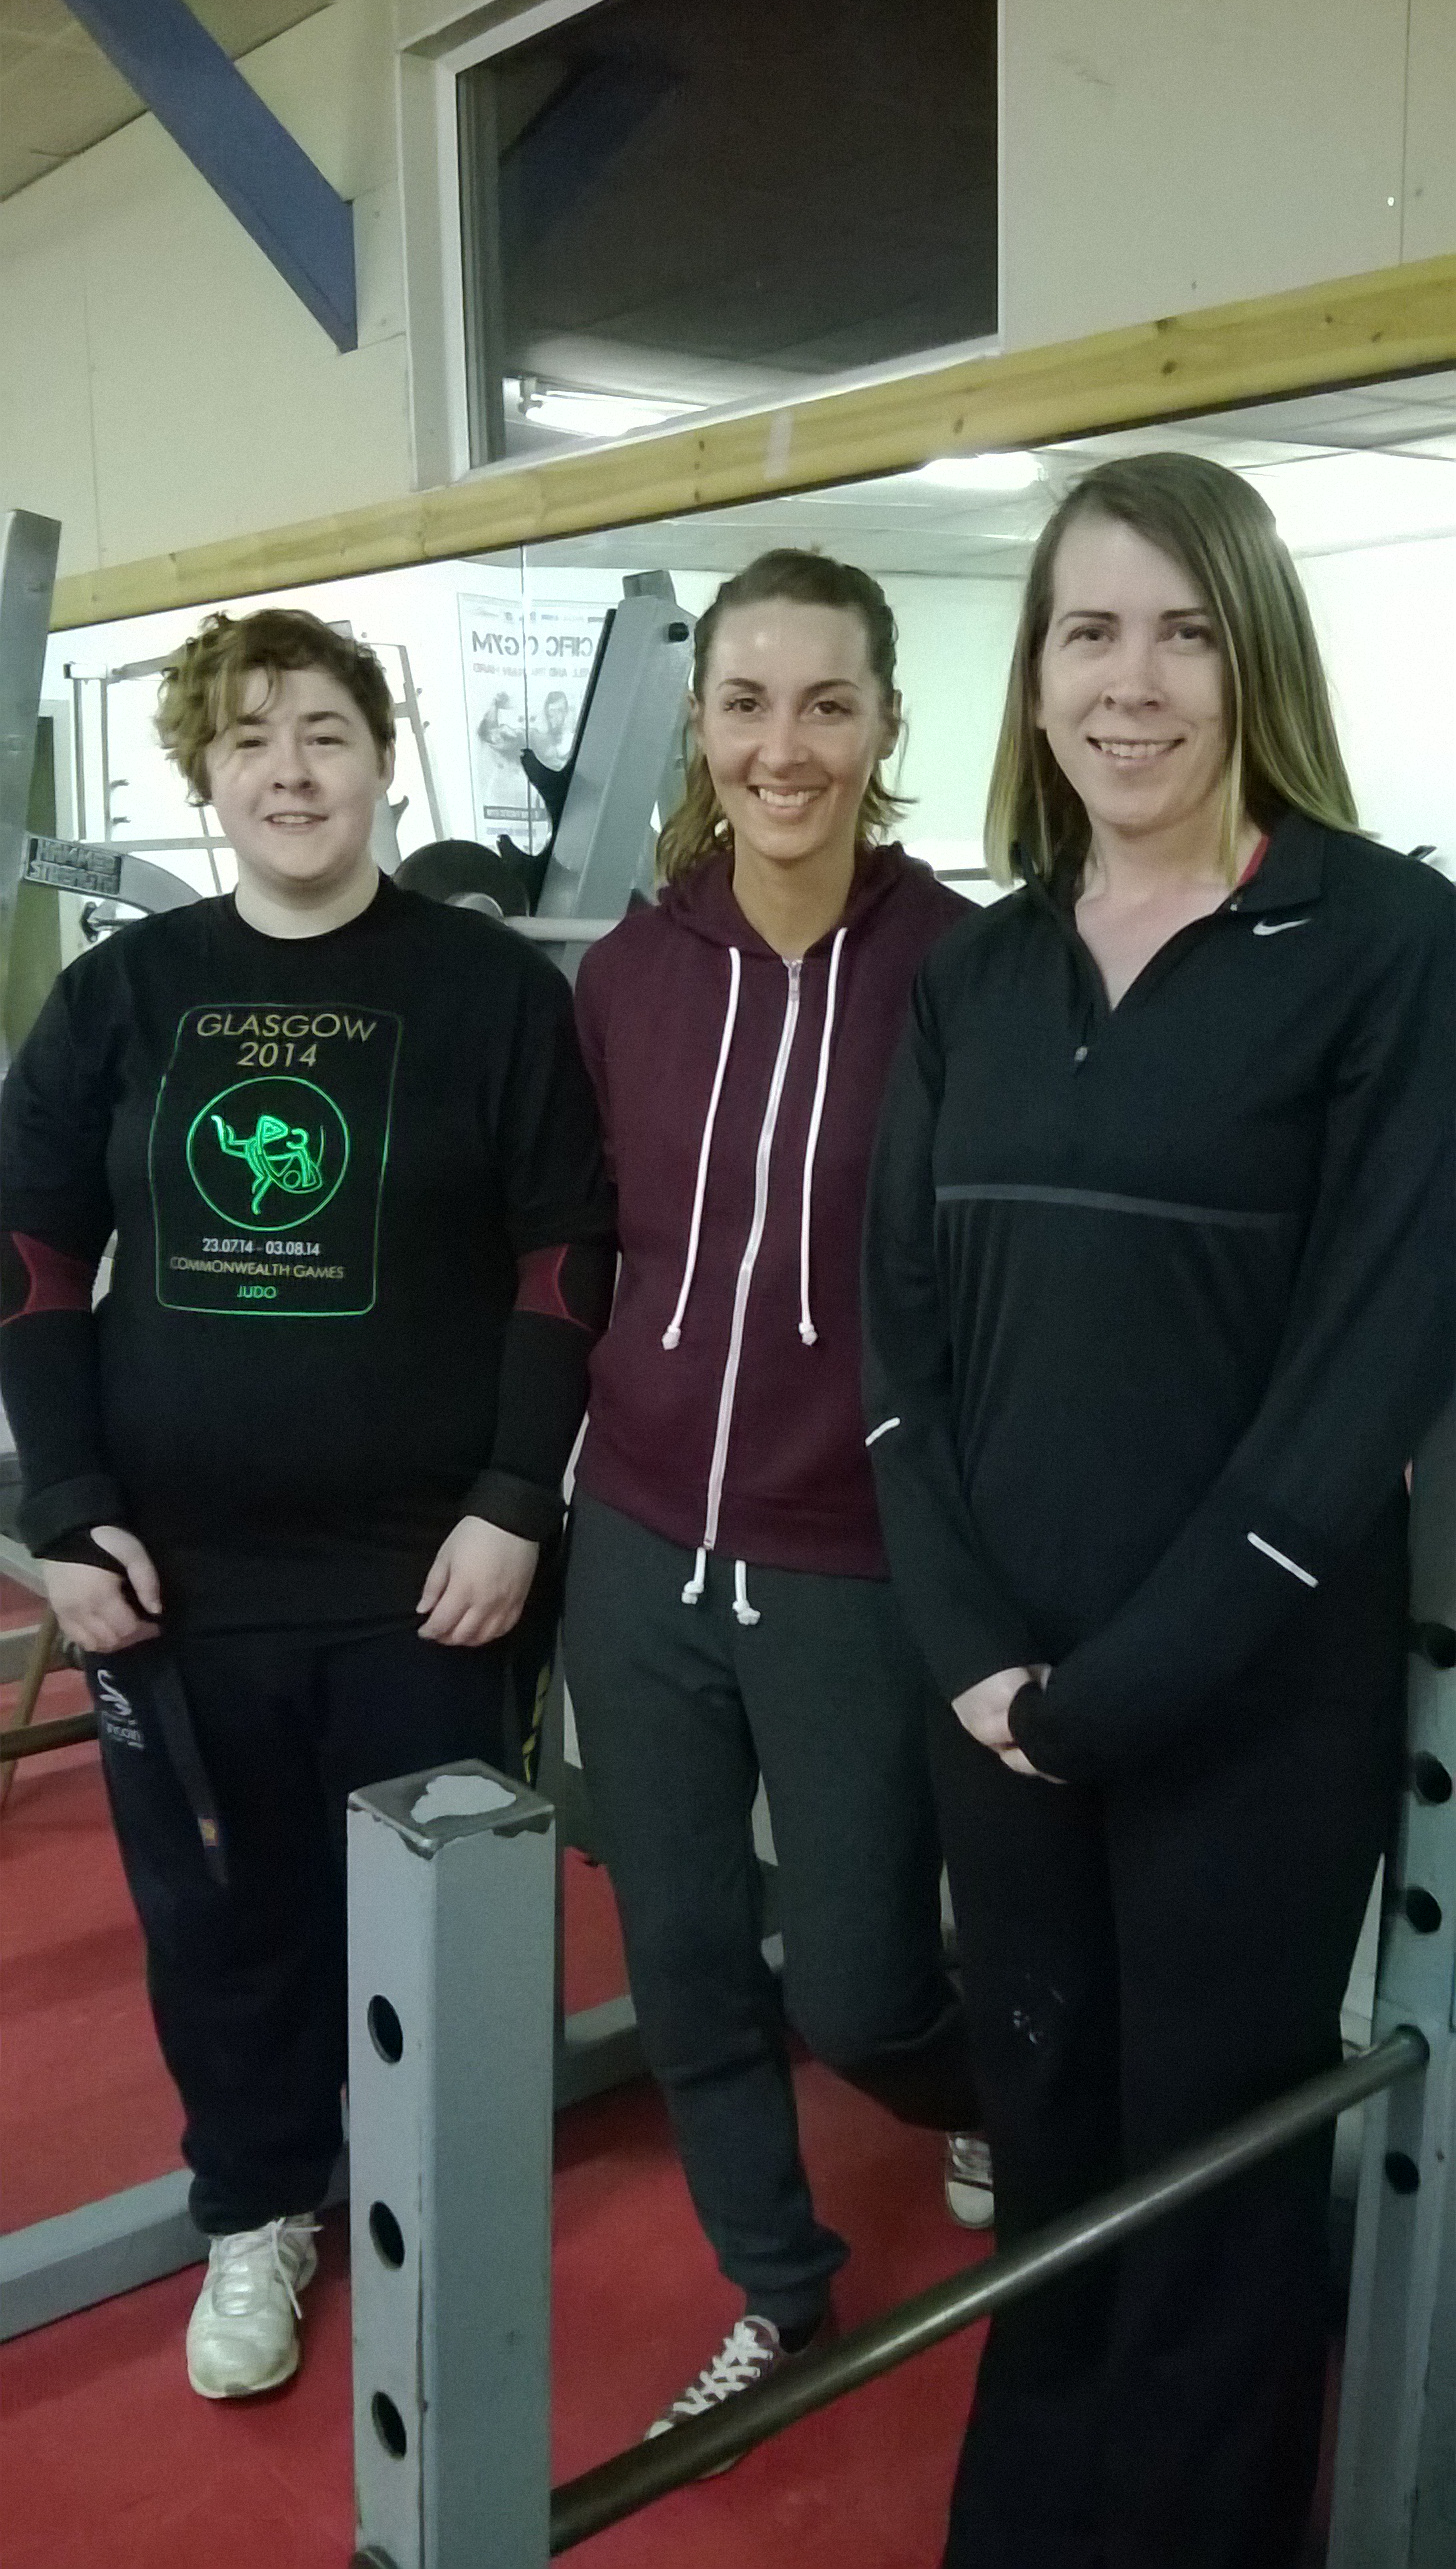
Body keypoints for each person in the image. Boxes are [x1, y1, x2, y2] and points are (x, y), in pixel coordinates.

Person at [863, 452, 1455, 2568]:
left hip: (1241, 1711)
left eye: (1184, 632)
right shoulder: (978, 974)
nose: (1133, 684)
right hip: (1002, 1704)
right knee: (1046, 2152)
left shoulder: (1385, 946)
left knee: (1208, 2179)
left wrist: (1121, 1691)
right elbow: (899, 1352)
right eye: (1088, 633)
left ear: (1253, 656)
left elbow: (1362, 1377)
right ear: (1032, 677)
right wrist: (977, 1663)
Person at [0, 609, 613, 2401]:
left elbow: (566, 1255)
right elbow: (31, 1253)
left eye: (326, 733)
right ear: (204, 771)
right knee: (222, 1919)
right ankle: (257, 2209)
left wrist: (518, 1498)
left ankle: (444, 2196)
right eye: (251, 737)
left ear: (381, 762)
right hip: (173, 1577)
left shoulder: (492, 993)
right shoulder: (123, 994)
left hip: (431, 1573)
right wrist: (66, 1509)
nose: (290, 770)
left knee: (437, 1918)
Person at [563, 547, 987, 2442]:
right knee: (678, 1955)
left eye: (827, 703)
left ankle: (985, 2100)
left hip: (852, 1557)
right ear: (701, 723)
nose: (784, 745)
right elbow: (580, 1246)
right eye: (747, 703)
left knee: (869, 1988)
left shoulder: (967, 971)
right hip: (640, 1539)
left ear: (886, 721)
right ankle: (775, 2288)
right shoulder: (628, 975)